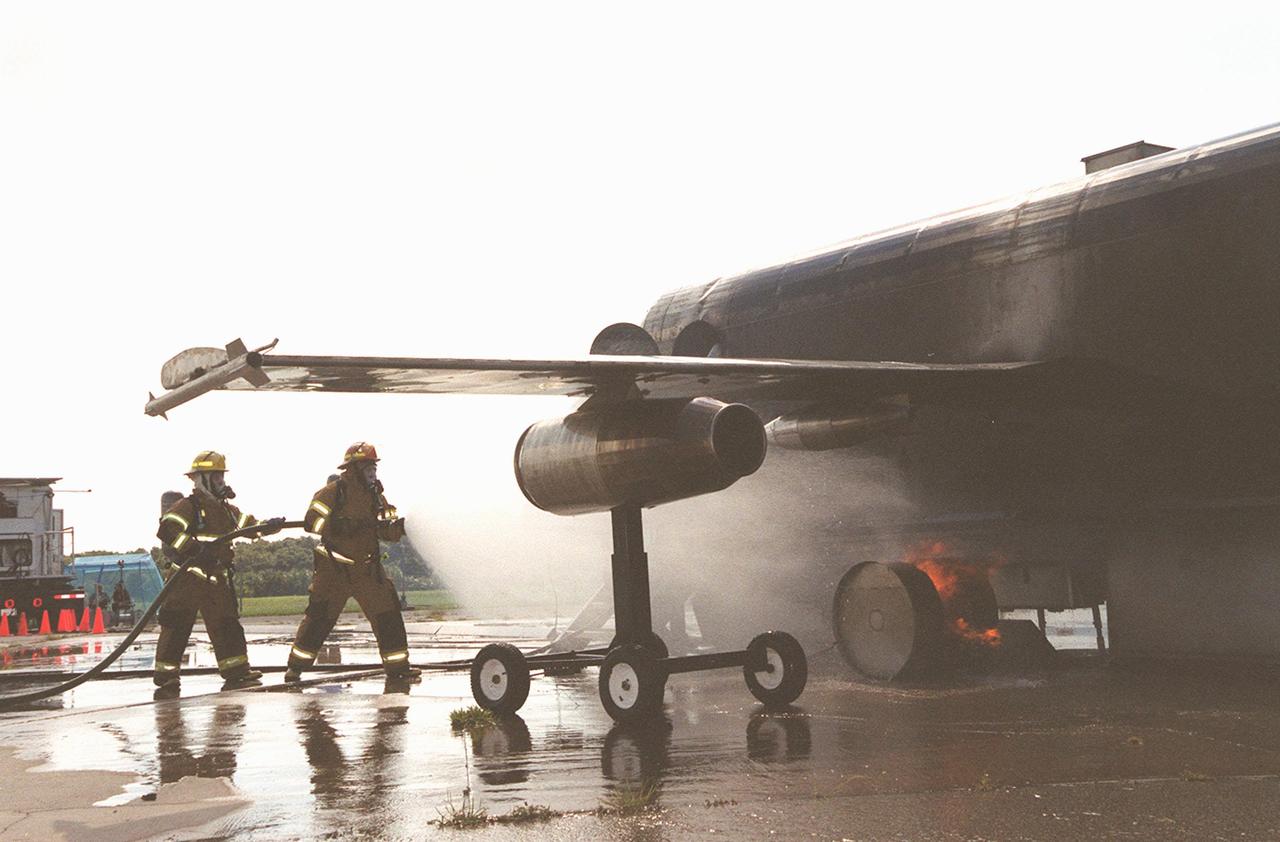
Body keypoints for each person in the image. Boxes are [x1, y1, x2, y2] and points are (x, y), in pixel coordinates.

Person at [153, 451, 281, 698]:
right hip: (187, 578)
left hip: (215, 579)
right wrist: (192, 549)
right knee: (176, 626)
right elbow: (167, 530)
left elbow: (249, 526)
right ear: (202, 479)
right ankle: (166, 676)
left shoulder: (227, 510)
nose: (222, 481)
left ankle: (237, 671)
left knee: (227, 625)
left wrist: (268, 527)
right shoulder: (188, 506)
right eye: (217, 476)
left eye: (222, 476)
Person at [284, 442, 415, 683]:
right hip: (335, 570)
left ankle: (398, 669)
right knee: (318, 619)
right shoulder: (334, 491)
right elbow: (311, 521)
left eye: (374, 467)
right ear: (354, 469)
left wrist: (400, 529)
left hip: (367, 570)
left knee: (388, 615)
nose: (373, 472)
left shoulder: (376, 496)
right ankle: (295, 668)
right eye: (368, 467)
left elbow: (384, 531)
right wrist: (338, 526)